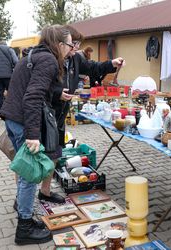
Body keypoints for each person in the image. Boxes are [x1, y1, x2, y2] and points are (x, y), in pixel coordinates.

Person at [0, 25, 74, 245]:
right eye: (70, 45)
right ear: (59, 44)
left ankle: (25, 216)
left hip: (13, 119)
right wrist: (33, 135)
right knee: (30, 176)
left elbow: (23, 88)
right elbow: (32, 97)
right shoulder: (49, 60)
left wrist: (56, 94)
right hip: (23, 122)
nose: (71, 50)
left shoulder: (32, 55)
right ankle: (24, 228)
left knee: (25, 174)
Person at [37, 25, 124, 205]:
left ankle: (45, 192)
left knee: (55, 152)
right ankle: (24, 197)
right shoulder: (49, 59)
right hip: (43, 112)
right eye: (73, 43)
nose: (76, 47)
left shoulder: (75, 59)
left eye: (77, 43)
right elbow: (38, 86)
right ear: (62, 43)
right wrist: (57, 93)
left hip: (60, 114)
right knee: (35, 154)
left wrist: (111, 64)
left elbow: (93, 67)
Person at [0, 40, 18, 115]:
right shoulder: (9, 49)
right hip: (8, 75)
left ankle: (0, 112)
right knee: (11, 93)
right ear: (6, 44)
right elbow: (16, 61)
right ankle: (11, 111)